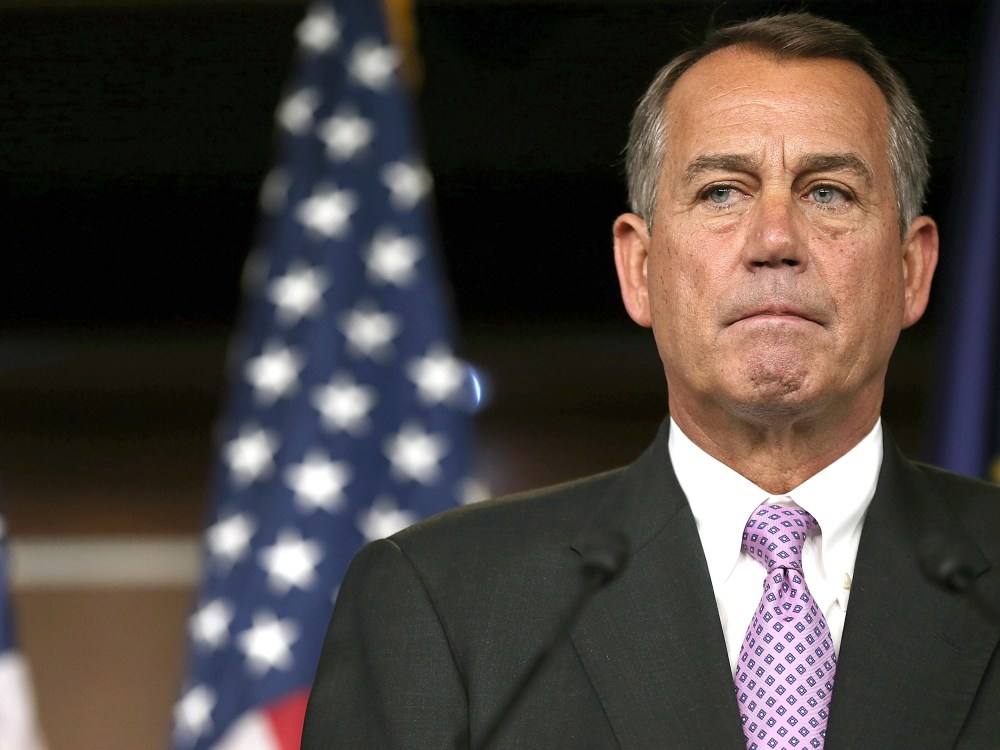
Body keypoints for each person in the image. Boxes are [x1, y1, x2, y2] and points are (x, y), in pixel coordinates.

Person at [301, 12, 1000, 749]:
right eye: (721, 193)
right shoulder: (440, 599)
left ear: (911, 269)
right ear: (639, 269)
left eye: (827, 193)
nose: (774, 241)